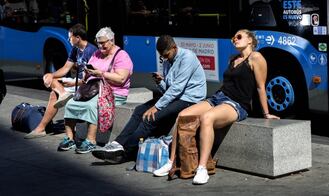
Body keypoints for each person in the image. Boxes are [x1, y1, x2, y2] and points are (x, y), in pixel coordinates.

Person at [153, 29, 279, 185]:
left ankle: (202, 168)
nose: (235, 39)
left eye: (239, 36)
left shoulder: (257, 58)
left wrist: (266, 113)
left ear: (250, 40)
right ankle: (171, 162)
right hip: (218, 97)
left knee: (207, 118)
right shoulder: (232, 58)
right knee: (182, 115)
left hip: (237, 104)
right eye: (234, 37)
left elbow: (261, 87)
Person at [91, 35, 207, 163]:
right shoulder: (168, 60)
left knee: (151, 117)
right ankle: (117, 144)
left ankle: (124, 153)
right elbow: (168, 89)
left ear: (174, 48)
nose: (164, 58)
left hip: (189, 99)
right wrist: (160, 83)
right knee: (139, 110)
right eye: (162, 56)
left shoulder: (187, 58)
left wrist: (156, 107)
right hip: (176, 97)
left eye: (166, 55)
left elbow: (177, 89)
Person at [58, 27, 133, 154]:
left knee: (92, 105)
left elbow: (121, 79)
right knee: (71, 103)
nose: (100, 46)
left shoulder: (122, 56)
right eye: (98, 42)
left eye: (103, 42)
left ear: (112, 40)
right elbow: (87, 74)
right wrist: (87, 74)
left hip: (113, 92)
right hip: (94, 88)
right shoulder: (96, 54)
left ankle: (91, 141)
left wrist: (101, 73)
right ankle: (70, 138)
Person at [24, 23, 97, 139]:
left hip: (87, 84)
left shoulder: (91, 51)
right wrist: (51, 75)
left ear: (77, 38)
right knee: (50, 78)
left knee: (54, 94)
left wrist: (74, 83)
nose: (68, 39)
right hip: (76, 81)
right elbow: (65, 68)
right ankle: (63, 93)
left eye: (70, 37)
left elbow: (92, 77)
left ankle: (41, 128)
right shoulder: (75, 49)